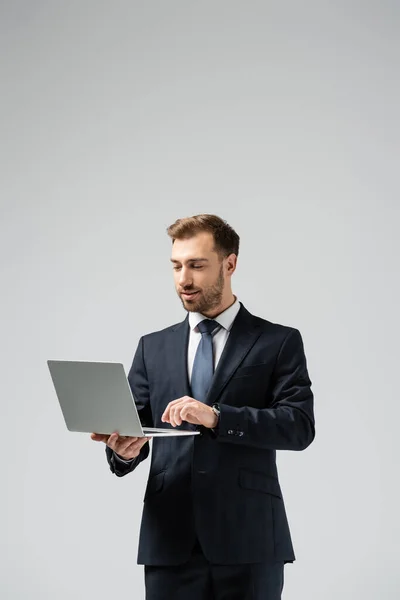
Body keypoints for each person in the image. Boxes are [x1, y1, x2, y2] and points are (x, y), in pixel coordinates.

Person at [91, 213, 315, 600]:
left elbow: (298, 426)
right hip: (169, 541)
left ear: (230, 264)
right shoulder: (152, 346)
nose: (184, 279)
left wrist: (217, 416)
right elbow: (134, 429)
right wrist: (123, 451)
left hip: (250, 540)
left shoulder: (277, 341)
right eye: (176, 266)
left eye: (196, 265)